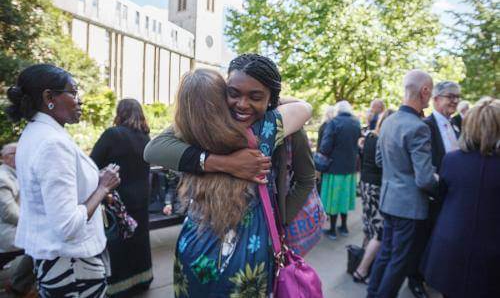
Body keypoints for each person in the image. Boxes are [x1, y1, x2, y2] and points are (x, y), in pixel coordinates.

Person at [145, 55, 313, 296]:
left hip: (198, 245)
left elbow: (153, 149)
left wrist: (281, 221)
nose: (242, 104)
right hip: (242, 250)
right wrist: (226, 163)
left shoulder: (201, 130)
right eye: (233, 93)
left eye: (255, 97)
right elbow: (304, 107)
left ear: (270, 99)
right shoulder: (265, 129)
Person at [6, 64, 120, 297]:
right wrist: (103, 187)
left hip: (60, 262)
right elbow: (67, 225)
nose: (80, 101)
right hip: (72, 266)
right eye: (74, 92)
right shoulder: (52, 143)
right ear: (49, 97)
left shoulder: (36, 133)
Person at [367, 70, 438, 298]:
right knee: (399, 262)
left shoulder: (388, 122)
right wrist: (440, 183)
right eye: (431, 92)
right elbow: (425, 179)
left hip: (388, 201)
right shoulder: (418, 127)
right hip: (409, 206)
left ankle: (372, 294)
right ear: (424, 91)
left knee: (386, 254)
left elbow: (379, 161)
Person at [423, 97, 500, 298]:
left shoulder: (452, 160)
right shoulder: (453, 159)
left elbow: (442, 198)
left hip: (451, 247)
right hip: (489, 254)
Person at [90, 98, 153, 297]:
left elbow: (92, 164)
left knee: (118, 242)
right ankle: (143, 279)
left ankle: (120, 286)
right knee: (140, 240)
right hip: (142, 198)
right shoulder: (146, 138)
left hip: (116, 200)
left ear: (120, 113)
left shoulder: (112, 135)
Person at [407, 81, 461, 298]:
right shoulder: (425, 125)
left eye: (457, 96)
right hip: (428, 194)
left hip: (451, 195)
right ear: (436, 99)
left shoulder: (456, 125)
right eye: (450, 96)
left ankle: (434, 276)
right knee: (421, 240)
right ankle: (415, 280)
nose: (455, 100)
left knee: (441, 240)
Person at [353, 109, 394, 284]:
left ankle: (362, 263)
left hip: (366, 185)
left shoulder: (370, 137)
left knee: (369, 226)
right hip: (376, 187)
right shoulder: (382, 140)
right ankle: (362, 270)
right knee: (379, 231)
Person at [318, 100, 361, 240]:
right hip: (350, 168)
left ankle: (331, 229)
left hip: (334, 167)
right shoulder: (356, 123)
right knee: (344, 198)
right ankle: (344, 227)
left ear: (337, 110)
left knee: (334, 200)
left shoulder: (333, 122)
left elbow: (325, 147)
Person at [0, 143, 35, 297]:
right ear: (3, 158)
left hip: (22, 227)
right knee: (45, 243)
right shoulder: (2, 178)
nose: (19, 155)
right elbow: (9, 213)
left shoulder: (19, 174)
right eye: (13, 153)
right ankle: (17, 287)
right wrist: (34, 226)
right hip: (11, 232)